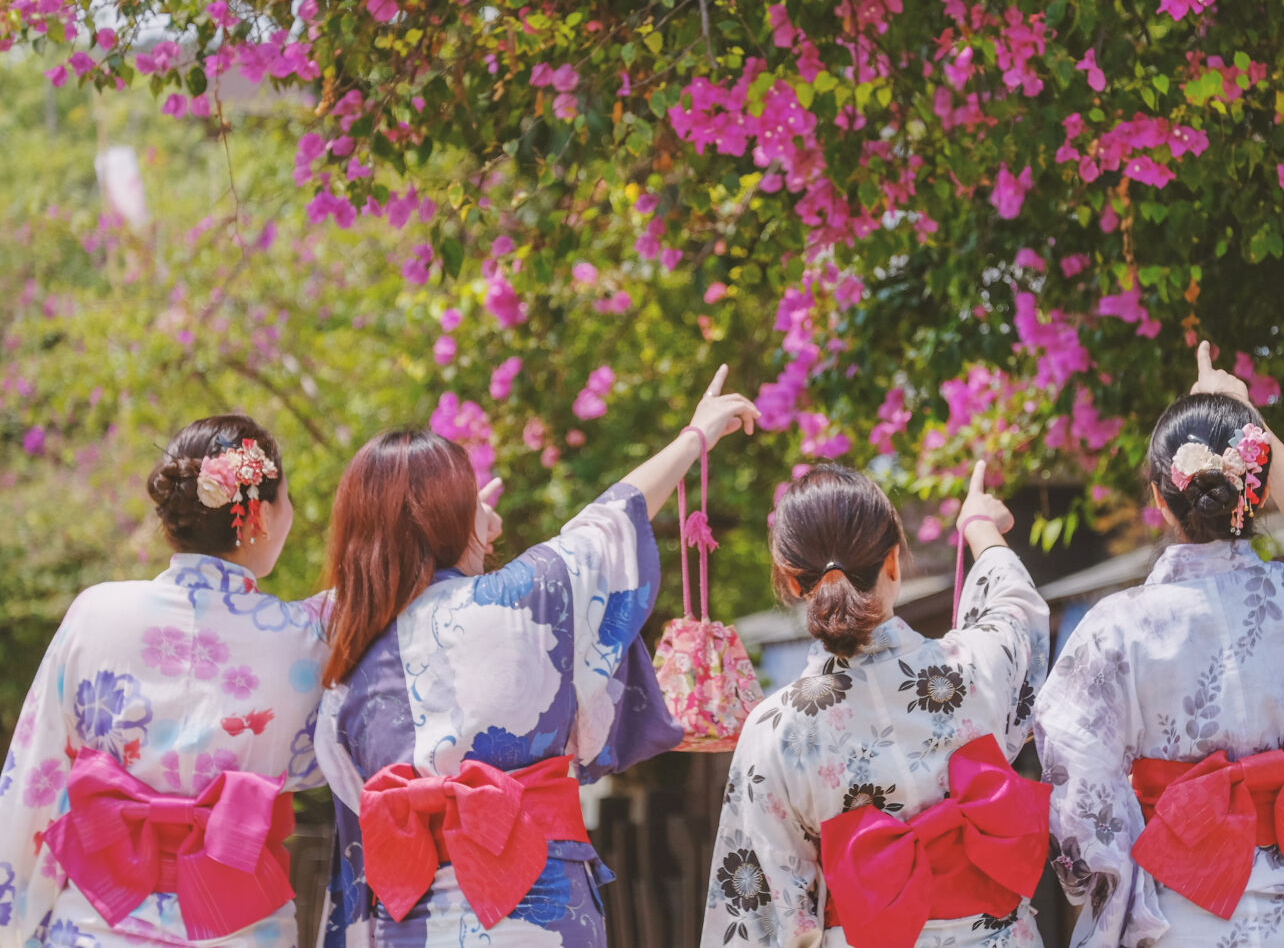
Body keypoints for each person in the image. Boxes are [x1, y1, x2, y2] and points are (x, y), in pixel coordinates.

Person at [315, 366, 758, 948]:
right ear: (452, 515)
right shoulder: (521, 595)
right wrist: (693, 437)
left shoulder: (346, 642)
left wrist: (462, 529)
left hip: (408, 919)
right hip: (538, 907)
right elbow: (610, 522)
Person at [1033, 342, 1284, 947]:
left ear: (1157, 499)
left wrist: (1112, 883)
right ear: (1256, 487)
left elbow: (1080, 787)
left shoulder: (1117, 628)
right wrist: (1241, 409)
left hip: (1183, 908)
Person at [0, 415, 330, 948]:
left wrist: (11, 927)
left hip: (93, 926)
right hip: (237, 929)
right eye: (286, 500)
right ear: (261, 515)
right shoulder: (307, 638)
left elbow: (33, 781)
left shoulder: (96, 613)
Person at [700, 459, 1051, 948]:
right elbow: (1017, 611)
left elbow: (766, 908)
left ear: (792, 580)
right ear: (893, 562)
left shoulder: (775, 729)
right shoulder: (973, 668)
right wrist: (979, 527)